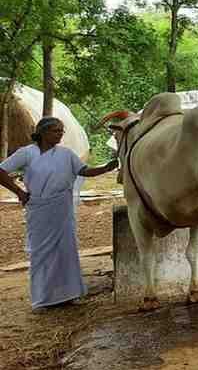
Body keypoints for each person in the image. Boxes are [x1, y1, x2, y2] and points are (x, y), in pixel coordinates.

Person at [0, 118, 118, 309]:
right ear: (43, 132)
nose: (60, 134)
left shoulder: (66, 154)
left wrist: (105, 168)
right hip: (39, 208)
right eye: (56, 131)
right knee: (41, 251)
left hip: (62, 208)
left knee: (65, 249)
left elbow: (84, 171)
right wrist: (19, 192)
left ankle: (67, 294)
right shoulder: (27, 153)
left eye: (61, 131)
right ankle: (45, 297)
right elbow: (1, 171)